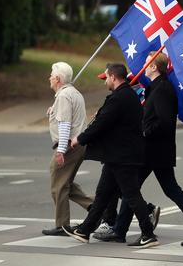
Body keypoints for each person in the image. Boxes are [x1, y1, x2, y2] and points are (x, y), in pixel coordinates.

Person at [94, 52, 183, 247]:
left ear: (155, 67)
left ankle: (128, 231)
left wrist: (144, 132)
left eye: (148, 62)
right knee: (154, 189)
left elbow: (164, 122)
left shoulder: (163, 88)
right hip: (156, 150)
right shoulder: (156, 87)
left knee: (132, 189)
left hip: (154, 150)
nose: (145, 65)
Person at [65, 63, 158, 249]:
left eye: (107, 77)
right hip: (117, 155)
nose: (106, 80)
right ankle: (85, 230)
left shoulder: (119, 98)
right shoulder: (127, 95)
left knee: (131, 195)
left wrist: (79, 139)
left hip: (122, 156)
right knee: (103, 194)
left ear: (114, 77)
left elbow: (102, 123)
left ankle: (148, 233)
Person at [43, 62, 93, 236]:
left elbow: (65, 125)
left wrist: (61, 150)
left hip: (69, 145)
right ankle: (95, 207)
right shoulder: (74, 93)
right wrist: (53, 110)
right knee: (65, 184)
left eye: (51, 75)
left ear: (57, 79)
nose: (49, 77)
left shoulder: (64, 96)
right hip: (78, 144)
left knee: (58, 185)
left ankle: (62, 225)